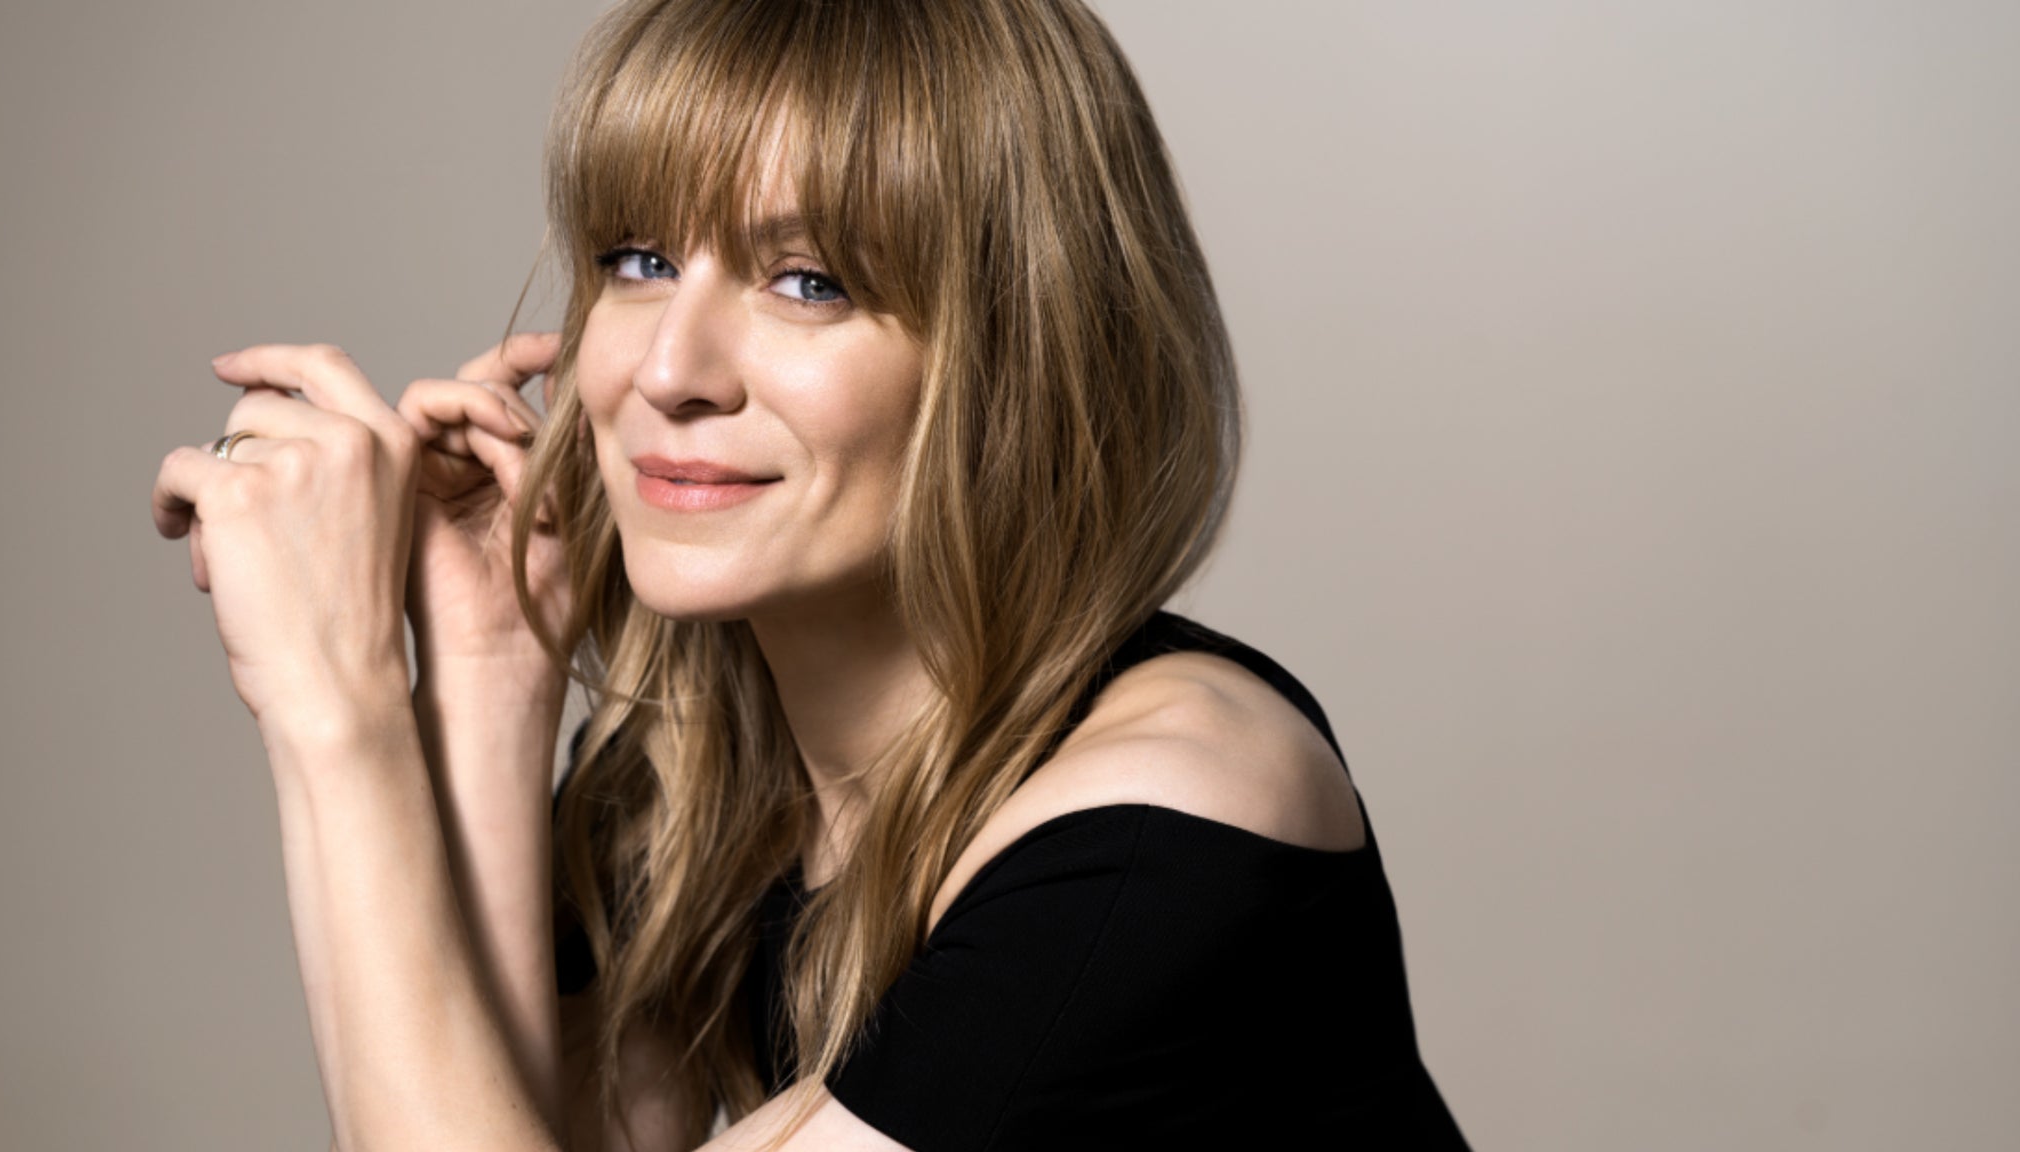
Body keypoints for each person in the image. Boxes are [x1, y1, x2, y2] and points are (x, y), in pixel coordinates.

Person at [150, 0, 1469, 1148]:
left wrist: (339, 710)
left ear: (1016, 357)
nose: (669, 369)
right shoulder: (693, 780)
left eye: (808, 282)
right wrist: (492, 669)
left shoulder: (1162, 832)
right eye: (639, 262)